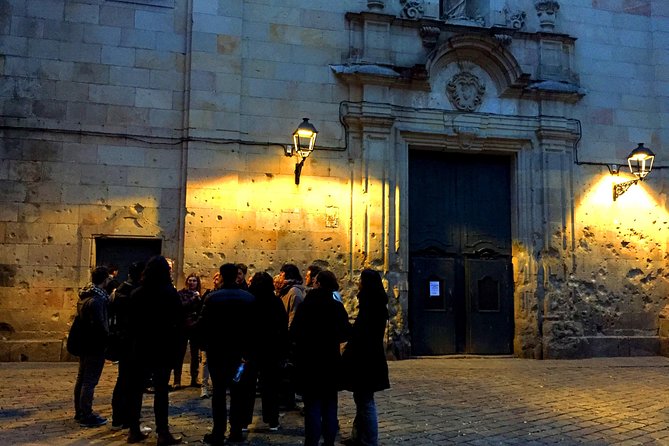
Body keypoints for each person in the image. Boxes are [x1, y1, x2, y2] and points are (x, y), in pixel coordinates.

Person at [126, 256, 183, 445]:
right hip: (162, 348)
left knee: (136, 391)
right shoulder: (170, 294)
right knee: (161, 392)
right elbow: (178, 323)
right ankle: (163, 432)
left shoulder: (136, 294)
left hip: (140, 347)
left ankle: (133, 429)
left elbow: (131, 324)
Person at [198, 263, 257, 445]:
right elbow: (253, 328)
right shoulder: (248, 298)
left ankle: (218, 431)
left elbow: (204, 326)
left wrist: (205, 345)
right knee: (238, 392)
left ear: (222, 276)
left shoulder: (212, 298)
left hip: (218, 352)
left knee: (219, 393)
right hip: (239, 353)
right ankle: (236, 430)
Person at [290, 270, 350, 446]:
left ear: (318, 284)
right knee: (330, 405)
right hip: (330, 360)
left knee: (313, 406)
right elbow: (345, 333)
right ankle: (329, 441)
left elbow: (294, 332)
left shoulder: (306, 306)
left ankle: (312, 441)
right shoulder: (336, 307)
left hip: (309, 361)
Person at [340, 269, 391, 446]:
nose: (358, 282)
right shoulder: (375, 303)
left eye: (361, 279)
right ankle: (358, 437)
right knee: (361, 398)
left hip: (365, 358)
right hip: (370, 356)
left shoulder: (370, 305)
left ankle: (369, 441)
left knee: (365, 400)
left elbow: (363, 332)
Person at [243, 271, 289, 432]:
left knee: (247, 387)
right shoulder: (275, 302)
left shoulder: (248, 300)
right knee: (270, 387)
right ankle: (272, 420)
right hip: (271, 350)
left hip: (250, 350)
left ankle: (243, 421)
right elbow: (283, 328)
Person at [109, 261, 146, 431]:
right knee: (133, 383)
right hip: (133, 341)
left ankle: (118, 418)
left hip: (123, 340)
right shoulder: (136, 292)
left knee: (123, 380)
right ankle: (131, 421)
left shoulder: (120, 290)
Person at [73, 266, 110, 428]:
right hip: (94, 345)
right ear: (105, 279)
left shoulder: (84, 296)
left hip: (84, 342)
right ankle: (86, 414)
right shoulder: (98, 299)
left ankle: (79, 411)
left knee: (82, 378)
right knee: (89, 381)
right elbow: (101, 325)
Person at [173, 273, 203, 389]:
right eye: (190, 280)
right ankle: (177, 380)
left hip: (195, 327)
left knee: (195, 355)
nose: (192, 283)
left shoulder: (199, 295)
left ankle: (194, 379)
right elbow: (180, 306)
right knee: (179, 353)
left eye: (194, 281)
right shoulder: (181, 293)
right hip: (183, 327)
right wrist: (193, 298)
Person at [199, 271, 221, 399]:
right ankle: (204, 386)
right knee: (205, 361)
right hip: (209, 333)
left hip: (217, 334)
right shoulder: (208, 295)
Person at [276, 263, 305, 329]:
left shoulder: (294, 292)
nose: (279, 277)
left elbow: (293, 316)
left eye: (281, 275)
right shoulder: (285, 290)